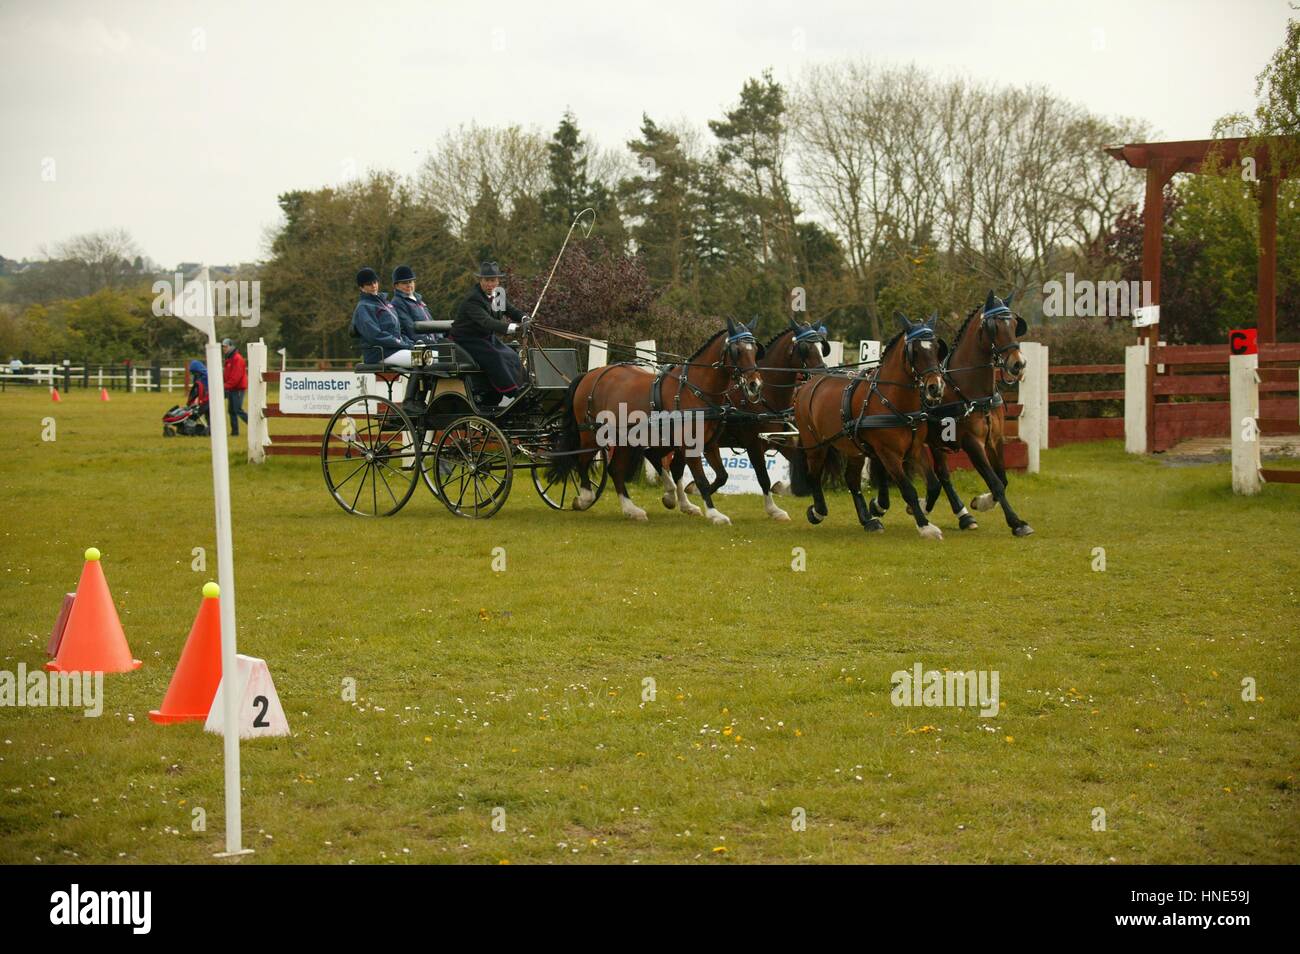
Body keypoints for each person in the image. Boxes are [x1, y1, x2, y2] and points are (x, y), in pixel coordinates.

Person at [450, 261, 529, 406]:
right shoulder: (473, 299)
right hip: (466, 339)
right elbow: (488, 322)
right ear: (480, 281)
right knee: (497, 356)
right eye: (486, 281)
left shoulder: (498, 294)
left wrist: (524, 318)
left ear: (498, 281)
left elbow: (511, 311)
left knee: (512, 355)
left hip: (485, 338)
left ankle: (525, 388)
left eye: (493, 281)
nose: (490, 284)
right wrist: (514, 328)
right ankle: (511, 392)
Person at [351, 267, 416, 367]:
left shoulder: (385, 304)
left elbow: (398, 331)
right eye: (369, 284)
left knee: (437, 357)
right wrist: (402, 343)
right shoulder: (363, 307)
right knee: (425, 360)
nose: (373, 286)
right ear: (361, 288)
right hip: (380, 354)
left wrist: (410, 343)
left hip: (394, 349)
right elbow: (375, 336)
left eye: (375, 282)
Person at [221, 338, 248, 436]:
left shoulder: (237, 358)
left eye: (225, 346)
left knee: (238, 410)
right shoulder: (229, 358)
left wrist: (224, 386)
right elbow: (227, 375)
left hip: (238, 389)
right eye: (223, 347)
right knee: (231, 411)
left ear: (231, 346)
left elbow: (236, 376)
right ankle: (234, 432)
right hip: (232, 388)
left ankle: (254, 427)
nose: (224, 348)